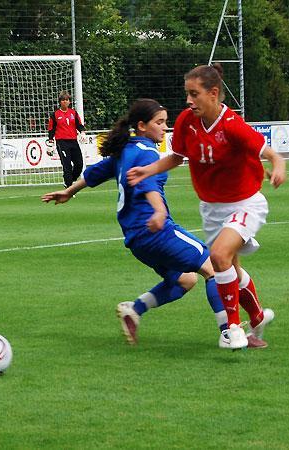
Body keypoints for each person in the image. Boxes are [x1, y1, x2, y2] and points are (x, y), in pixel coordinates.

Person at [41, 98, 264, 350]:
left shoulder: (125, 150)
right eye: (159, 122)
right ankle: (228, 332)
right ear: (142, 126)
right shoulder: (147, 152)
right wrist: (158, 211)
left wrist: (69, 191)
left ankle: (134, 309)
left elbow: (95, 173)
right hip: (157, 232)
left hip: (136, 240)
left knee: (185, 280)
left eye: (166, 122)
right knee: (214, 267)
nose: (165, 128)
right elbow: (148, 184)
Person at [127, 64, 287, 349]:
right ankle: (258, 317)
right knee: (231, 269)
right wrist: (147, 170)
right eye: (187, 94)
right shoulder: (187, 121)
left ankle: (232, 330)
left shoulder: (232, 125)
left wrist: (278, 166)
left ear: (213, 93)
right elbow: (177, 157)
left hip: (246, 203)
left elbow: (271, 154)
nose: (188, 100)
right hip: (212, 209)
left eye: (194, 94)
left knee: (219, 256)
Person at [47, 90, 87, 188]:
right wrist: (51, 142)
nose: (65, 101)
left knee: (79, 164)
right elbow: (51, 129)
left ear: (69, 101)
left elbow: (79, 125)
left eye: (67, 100)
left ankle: (69, 180)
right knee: (67, 165)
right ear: (60, 102)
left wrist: (82, 132)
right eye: (63, 100)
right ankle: (69, 187)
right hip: (62, 142)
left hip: (73, 141)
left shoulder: (73, 113)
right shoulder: (55, 114)